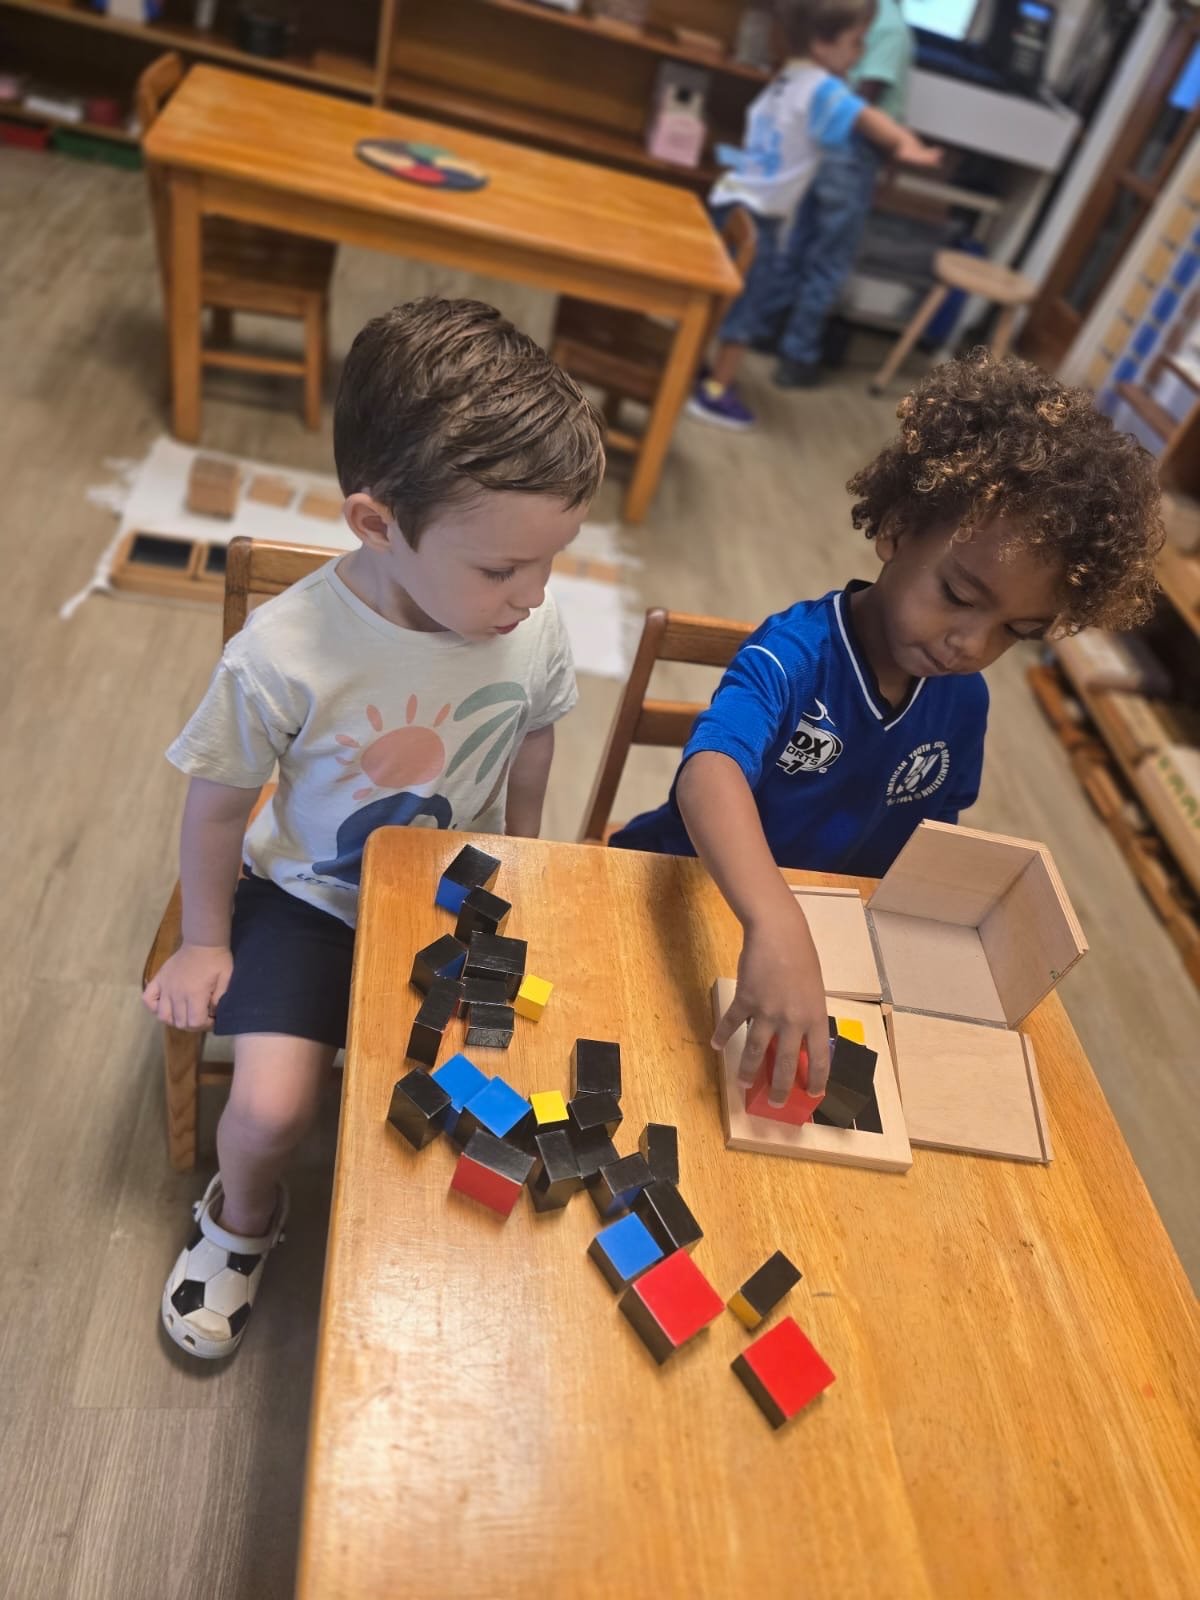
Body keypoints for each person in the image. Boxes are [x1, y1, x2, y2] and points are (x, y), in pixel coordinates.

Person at [144, 298, 604, 1359]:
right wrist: (208, 938)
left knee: (491, 1105)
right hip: (308, 901)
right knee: (267, 1110)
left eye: (553, 561)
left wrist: (529, 853)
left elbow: (534, 739)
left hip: (458, 890)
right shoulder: (285, 650)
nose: (533, 596)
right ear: (375, 523)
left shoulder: (529, 629)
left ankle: (424, 1265)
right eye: (501, 568)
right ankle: (241, 1218)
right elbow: (214, 804)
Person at [615, 353, 1163, 1104]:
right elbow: (709, 771)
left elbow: (928, 842)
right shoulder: (796, 653)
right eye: (959, 594)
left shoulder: (961, 700)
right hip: (682, 894)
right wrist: (774, 918)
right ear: (899, 529)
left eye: (1016, 631)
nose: (971, 644)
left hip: (819, 938)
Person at [687, 0, 938, 430]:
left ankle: (691, 368)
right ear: (822, 44)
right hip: (757, 218)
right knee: (748, 306)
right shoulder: (824, 87)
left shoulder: (790, 75)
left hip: (730, 198)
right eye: (856, 43)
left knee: (720, 298)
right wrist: (904, 144)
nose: (861, 54)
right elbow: (866, 115)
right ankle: (714, 392)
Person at [768, 0, 915, 388]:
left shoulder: (853, 11)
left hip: (822, 144)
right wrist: (893, 156)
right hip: (852, 152)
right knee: (829, 262)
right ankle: (797, 357)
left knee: (800, 244)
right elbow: (864, 98)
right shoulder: (891, 28)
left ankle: (769, 331)